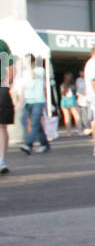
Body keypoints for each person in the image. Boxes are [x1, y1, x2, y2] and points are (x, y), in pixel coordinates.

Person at [15, 56, 51, 156]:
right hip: (28, 102)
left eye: (27, 61)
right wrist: (19, 103)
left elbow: (34, 75)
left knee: (34, 124)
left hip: (38, 101)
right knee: (37, 125)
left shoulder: (40, 70)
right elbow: (23, 89)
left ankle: (28, 145)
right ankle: (45, 144)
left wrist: (29, 66)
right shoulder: (24, 74)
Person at [0, 40, 13, 174]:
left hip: (1, 86)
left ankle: (1, 160)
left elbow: (10, 67)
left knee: (2, 125)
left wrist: (6, 84)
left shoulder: (2, 44)